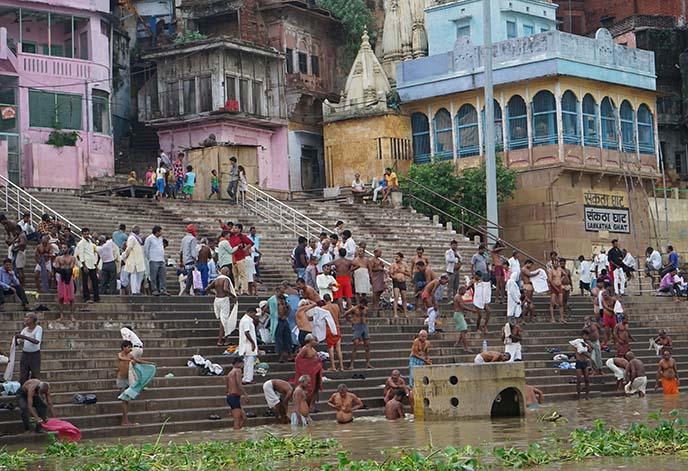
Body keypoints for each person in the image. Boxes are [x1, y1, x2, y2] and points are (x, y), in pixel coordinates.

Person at [207, 267, 237, 346]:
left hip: (217, 300)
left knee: (223, 321)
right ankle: (221, 340)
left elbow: (207, 289)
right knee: (224, 321)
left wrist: (215, 293)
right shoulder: (225, 279)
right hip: (224, 300)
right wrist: (233, 295)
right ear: (227, 272)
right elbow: (225, 289)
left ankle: (226, 339)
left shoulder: (216, 280)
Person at [74, 228, 100, 303]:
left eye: (87, 234)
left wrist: (95, 264)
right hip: (86, 264)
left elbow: (93, 254)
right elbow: (81, 255)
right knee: (85, 282)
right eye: (85, 234)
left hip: (92, 265)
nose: (86, 235)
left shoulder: (91, 243)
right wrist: (84, 266)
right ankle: (86, 298)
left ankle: (96, 298)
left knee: (95, 281)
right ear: (82, 234)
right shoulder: (81, 243)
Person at [345, 298, 372, 369]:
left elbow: (367, 316)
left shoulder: (366, 309)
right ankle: (351, 364)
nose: (362, 306)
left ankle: (368, 363)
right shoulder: (354, 308)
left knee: (367, 345)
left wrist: (366, 321)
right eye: (361, 304)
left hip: (364, 326)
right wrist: (351, 321)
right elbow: (346, 314)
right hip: (357, 327)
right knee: (355, 344)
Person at [16, 313, 43, 384]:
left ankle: (35, 392)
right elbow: (18, 342)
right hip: (25, 355)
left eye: (27, 318)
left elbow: (37, 341)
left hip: (35, 355)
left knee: (35, 375)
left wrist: (24, 337)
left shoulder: (38, 328)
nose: (25, 319)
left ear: (32, 320)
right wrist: (15, 339)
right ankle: (23, 392)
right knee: (23, 376)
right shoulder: (24, 330)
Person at [54, 243, 76, 321]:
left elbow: (72, 267)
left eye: (65, 248)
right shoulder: (58, 258)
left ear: (68, 249)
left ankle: (72, 315)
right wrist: (62, 270)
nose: (63, 249)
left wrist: (66, 271)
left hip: (69, 277)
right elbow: (57, 267)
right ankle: (61, 315)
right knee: (60, 297)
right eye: (62, 248)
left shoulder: (72, 258)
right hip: (61, 277)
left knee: (71, 298)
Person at [226, 357, 249, 430]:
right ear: (237, 363)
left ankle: (238, 433)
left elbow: (227, 385)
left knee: (244, 418)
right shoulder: (237, 371)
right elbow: (239, 383)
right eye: (241, 363)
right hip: (233, 397)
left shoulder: (230, 373)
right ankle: (237, 437)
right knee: (237, 421)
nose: (242, 365)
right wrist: (245, 394)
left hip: (232, 397)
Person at [322, 294, 344, 371]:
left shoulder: (323, 308)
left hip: (329, 328)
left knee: (330, 348)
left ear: (324, 300)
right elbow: (339, 316)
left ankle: (333, 366)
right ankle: (341, 366)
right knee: (338, 348)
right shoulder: (336, 306)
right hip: (337, 327)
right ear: (330, 299)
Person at [144, 226, 167, 296]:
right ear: (157, 232)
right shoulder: (149, 238)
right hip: (153, 260)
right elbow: (146, 250)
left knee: (162, 276)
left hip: (161, 260)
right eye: (160, 231)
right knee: (153, 277)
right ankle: (154, 290)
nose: (161, 233)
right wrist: (150, 258)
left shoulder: (161, 238)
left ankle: (163, 290)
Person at [237, 309, 258, 384]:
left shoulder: (246, 320)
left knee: (247, 362)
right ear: (250, 312)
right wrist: (253, 343)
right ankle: (248, 379)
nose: (254, 316)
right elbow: (247, 332)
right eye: (254, 314)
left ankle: (245, 378)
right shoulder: (246, 320)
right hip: (248, 344)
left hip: (246, 344)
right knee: (249, 362)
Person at [453, 286, 475, 352]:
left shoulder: (458, 296)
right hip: (458, 315)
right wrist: (471, 310)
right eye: (464, 291)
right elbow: (462, 306)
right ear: (461, 290)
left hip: (459, 314)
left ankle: (457, 343)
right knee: (463, 330)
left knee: (464, 330)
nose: (465, 292)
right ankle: (466, 347)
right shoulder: (458, 297)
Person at [390, 252, 410, 318]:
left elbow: (409, 273)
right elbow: (391, 274)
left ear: (401, 258)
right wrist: (395, 277)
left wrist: (402, 271)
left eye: (398, 257)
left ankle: (405, 313)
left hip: (403, 282)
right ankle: (395, 313)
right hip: (396, 282)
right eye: (396, 257)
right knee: (396, 297)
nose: (396, 258)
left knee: (404, 298)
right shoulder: (393, 265)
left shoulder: (404, 265)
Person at [573, 333, 592, 400]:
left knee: (587, 379)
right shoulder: (577, 343)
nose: (586, 337)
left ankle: (587, 396)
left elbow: (590, 350)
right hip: (579, 362)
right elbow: (581, 352)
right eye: (585, 335)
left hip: (585, 362)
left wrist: (588, 345)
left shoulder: (586, 344)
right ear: (582, 336)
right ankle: (579, 397)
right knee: (579, 380)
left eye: (587, 335)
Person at [547, 258, 566, 324]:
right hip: (553, 287)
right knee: (552, 303)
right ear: (552, 264)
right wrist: (555, 288)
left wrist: (560, 280)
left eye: (557, 263)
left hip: (559, 286)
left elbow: (565, 274)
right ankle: (552, 318)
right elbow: (550, 280)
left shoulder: (560, 269)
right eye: (554, 263)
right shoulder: (550, 271)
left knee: (561, 303)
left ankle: (562, 318)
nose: (556, 264)